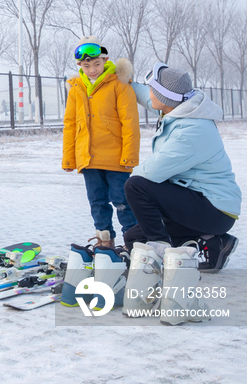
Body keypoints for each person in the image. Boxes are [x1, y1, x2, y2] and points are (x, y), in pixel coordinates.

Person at [123, 62, 241, 273]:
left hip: (214, 209)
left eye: (153, 90)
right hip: (203, 203)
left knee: (136, 186)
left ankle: (159, 250)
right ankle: (216, 243)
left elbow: (151, 173)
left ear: (166, 97)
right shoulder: (182, 109)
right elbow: (151, 100)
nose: (149, 94)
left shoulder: (191, 131)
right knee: (133, 238)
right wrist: (126, 83)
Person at [62, 36, 141, 248]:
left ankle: (133, 243)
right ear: (80, 65)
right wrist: (69, 158)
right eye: (87, 65)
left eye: (97, 64)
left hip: (117, 158)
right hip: (88, 159)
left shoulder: (119, 85)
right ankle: (104, 241)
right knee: (97, 203)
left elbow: (130, 123)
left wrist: (130, 156)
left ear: (105, 60)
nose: (92, 69)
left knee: (123, 202)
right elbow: (70, 124)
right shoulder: (76, 88)